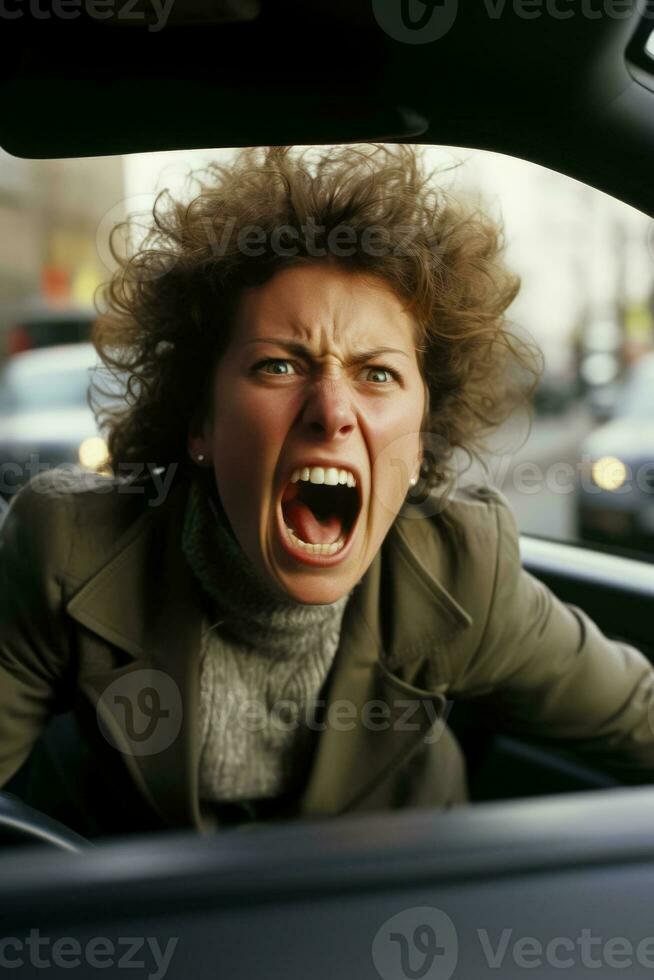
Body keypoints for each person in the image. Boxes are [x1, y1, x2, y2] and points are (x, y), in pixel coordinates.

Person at [1, 144, 653, 840]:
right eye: (279, 364)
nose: (333, 411)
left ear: (419, 436)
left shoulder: (463, 570)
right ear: (200, 423)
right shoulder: (67, 550)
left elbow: (639, 718)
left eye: (377, 374)